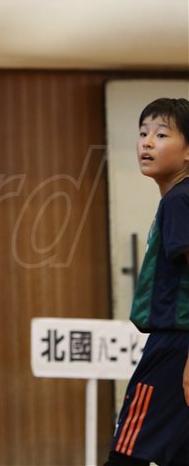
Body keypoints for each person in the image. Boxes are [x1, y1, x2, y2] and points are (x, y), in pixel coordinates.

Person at [105, 98, 189, 466]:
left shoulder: (179, 201)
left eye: (162, 134)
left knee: (128, 454)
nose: (147, 142)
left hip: (176, 346)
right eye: (143, 133)